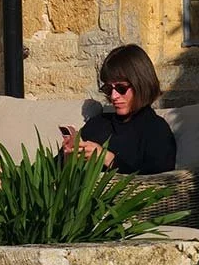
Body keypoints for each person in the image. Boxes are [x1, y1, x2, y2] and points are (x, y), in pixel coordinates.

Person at [61, 43, 176, 175]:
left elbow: (159, 182)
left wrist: (107, 158)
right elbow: (48, 171)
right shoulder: (97, 124)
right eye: (108, 89)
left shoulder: (156, 129)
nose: (114, 96)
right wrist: (67, 157)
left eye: (121, 88)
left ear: (141, 85)